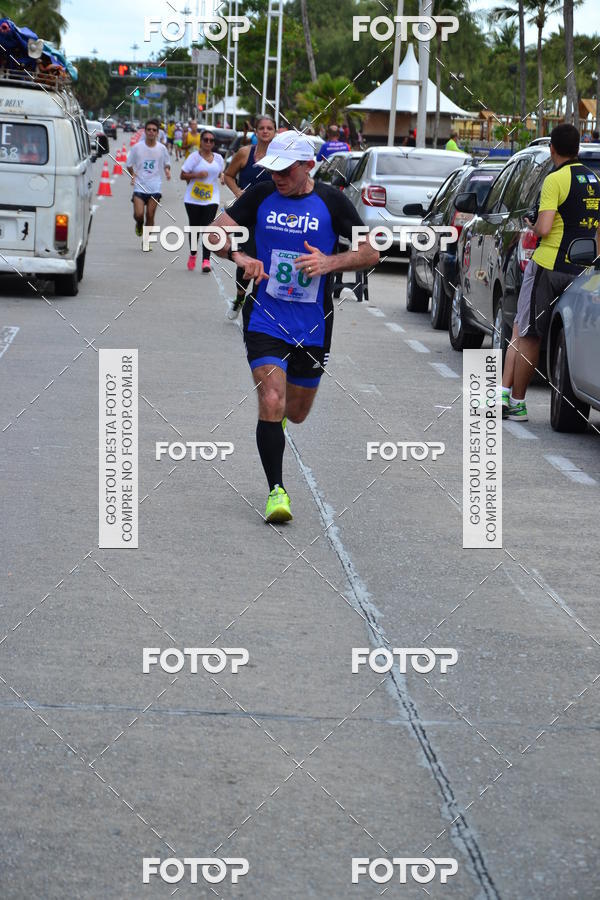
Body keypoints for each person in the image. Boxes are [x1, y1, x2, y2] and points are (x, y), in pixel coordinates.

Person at [208, 131, 380, 522]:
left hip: (313, 325)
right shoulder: (260, 193)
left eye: (286, 171)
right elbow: (215, 232)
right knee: (271, 398)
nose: (278, 177)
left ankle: (278, 422)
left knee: (296, 412)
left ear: (307, 166)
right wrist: (239, 256)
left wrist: (330, 263)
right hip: (265, 316)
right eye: (274, 170)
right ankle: (276, 491)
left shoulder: (333, 202)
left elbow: (372, 251)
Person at [501, 123, 600, 420]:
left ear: (552, 149)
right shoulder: (594, 180)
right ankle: (507, 395)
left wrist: (532, 225)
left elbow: (544, 227)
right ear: (579, 148)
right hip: (581, 269)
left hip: (548, 265)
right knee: (568, 333)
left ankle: (516, 402)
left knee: (529, 333)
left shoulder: (555, 180)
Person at [224, 115, 276, 318]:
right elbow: (228, 175)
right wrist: (238, 192)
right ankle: (239, 296)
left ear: (274, 132)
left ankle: (259, 302)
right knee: (244, 255)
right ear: (256, 131)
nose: (265, 131)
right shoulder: (246, 153)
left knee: (265, 256)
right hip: (246, 214)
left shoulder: (280, 156)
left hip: (270, 215)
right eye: (261, 128)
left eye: (269, 128)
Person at [180, 129, 225, 272]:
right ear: (201, 141)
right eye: (205, 139)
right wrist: (196, 175)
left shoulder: (218, 158)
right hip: (193, 198)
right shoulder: (194, 157)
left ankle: (206, 260)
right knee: (194, 228)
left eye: (211, 140)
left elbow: (220, 173)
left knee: (208, 228)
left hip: (211, 198)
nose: (208, 142)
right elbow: (182, 175)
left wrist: (222, 176)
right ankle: (193, 254)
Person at [126, 119, 171, 248]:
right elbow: (129, 164)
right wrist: (133, 174)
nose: (151, 132)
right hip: (139, 185)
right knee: (139, 215)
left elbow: (167, 163)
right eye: (149, 130)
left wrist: (167, 171)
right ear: (145, 131)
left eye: (154, 130)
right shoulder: (137, 147)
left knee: (150, 215)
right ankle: (139, 224)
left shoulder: (162, 149)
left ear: (158, 133)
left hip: (155, 186)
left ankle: (146, 241)